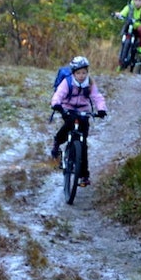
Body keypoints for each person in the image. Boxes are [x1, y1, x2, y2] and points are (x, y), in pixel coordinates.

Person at [49, 56, 107, 186]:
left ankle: (84, 175)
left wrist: (101, 109)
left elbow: (97, 97)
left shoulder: (90, 83)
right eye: (78, 73)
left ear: (87, 72)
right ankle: (58, 140)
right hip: (68, 108)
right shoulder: (67, 82)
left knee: (83, 143)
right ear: (73, 73)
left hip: (84, 111)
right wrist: (56, 104)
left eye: (84, 73)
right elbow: (58, 94)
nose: (81, 76)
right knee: (69, 122)